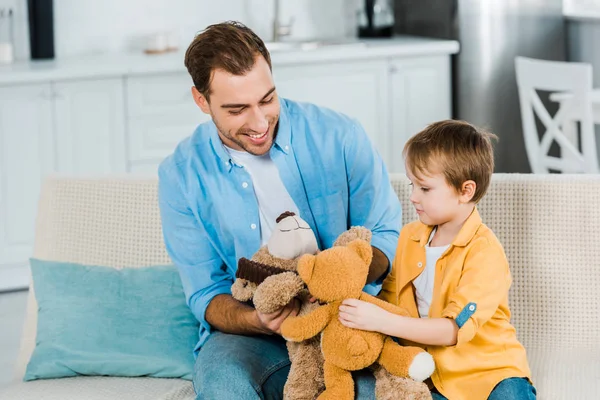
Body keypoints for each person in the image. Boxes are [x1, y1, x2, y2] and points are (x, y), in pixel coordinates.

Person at [157, 21, 402, 399]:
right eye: (237, 109)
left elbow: (386, 234)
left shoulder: (340, 136)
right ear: (201, 101)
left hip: (349, 315)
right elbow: (206, 293)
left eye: (267, 99)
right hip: (253, 334)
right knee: (223, 383)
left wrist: (337, 281)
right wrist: (257, 319)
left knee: (378, 389)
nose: (259, 123)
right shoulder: (181, 176)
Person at [338, 120, 536, 400]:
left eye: (425, 189)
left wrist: (381, 321)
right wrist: (344, 300)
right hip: (429, 375)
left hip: (488, 373)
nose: (412, 197)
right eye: (412, 185)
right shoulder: (409, 237)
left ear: (465, 191)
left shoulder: (485, 252)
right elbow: (388, 299)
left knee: (510, 394)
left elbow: (453, 329)